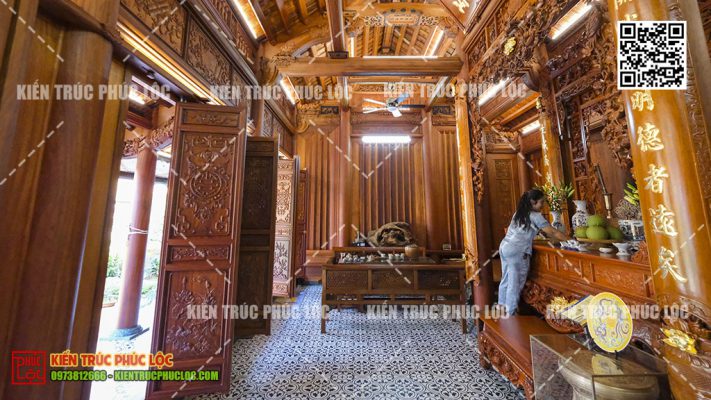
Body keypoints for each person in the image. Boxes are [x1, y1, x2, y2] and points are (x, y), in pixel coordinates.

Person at [498, 188, 569, 315]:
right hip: (517, 250)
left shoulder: (519, 213)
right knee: (515, 283)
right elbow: (553, 232)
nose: (543, 205)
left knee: (506, 280)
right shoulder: (536, 216)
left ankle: (501, 309)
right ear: (533, 202)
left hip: (505, 247)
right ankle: (510, 314)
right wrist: (571, 240)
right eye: (541, 202)